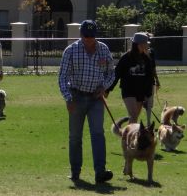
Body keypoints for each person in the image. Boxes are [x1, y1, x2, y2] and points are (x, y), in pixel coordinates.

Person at [58, 20, 115, 185]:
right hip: (76, 97)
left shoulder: (104, 49)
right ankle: (75, 172)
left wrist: (104, 87)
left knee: (98, 134)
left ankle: (100, 172)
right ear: (81, 35)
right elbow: (62, 77)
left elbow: (111, 73)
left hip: (96, 99)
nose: (89, 39)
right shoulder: (71, 50)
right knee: (75, 137)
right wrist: (68, 98)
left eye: (92, 36)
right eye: (86, 36)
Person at [106, 32, 159, 124]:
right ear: (139, 44)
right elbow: (116, 74)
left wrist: (148, 95)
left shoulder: (147, 59)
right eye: (146, 43)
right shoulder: (126, 58)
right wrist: (108, 90)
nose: (147, 45)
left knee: (134, 119)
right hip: (128, 91)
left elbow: (149, 78)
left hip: (141, 92)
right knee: (133, 115)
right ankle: (127, 137)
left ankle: (127, 137)